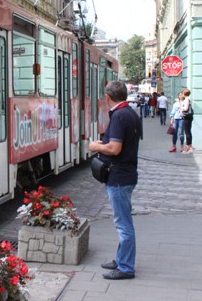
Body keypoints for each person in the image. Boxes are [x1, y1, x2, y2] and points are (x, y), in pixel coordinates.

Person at [89, 80, 141, 280]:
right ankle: (121, 259)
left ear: (108, 97)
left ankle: (126, 267)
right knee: (123, 220)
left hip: (119, 176)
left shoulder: (119, 115)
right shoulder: (130, 112)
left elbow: (115, 148)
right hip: (126, 174)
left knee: (123, 223)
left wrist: (96, 146)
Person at [181, 88, 194, 154]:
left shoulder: (186, 100)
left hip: (187, 118)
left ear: (184, 94)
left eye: (182, 93)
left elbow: (186, 108)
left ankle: (188, 148)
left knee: (187, 133)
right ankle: (189, 147)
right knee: (188, 132)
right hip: (189, 117)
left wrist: (181, 108)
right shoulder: (189, 99)